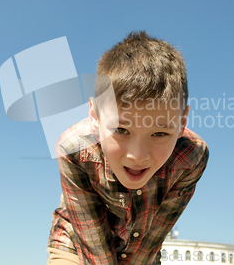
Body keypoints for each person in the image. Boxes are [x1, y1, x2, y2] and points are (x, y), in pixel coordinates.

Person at [47, 31, 209, 264]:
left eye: (160, 133)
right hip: (78, 243)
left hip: (141, 250)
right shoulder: (74, 149)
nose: (137, 156)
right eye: (121, 130)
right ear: (95, 116)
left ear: (182, 123)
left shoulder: (192, 156)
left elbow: (154, 235)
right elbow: (93, 244)